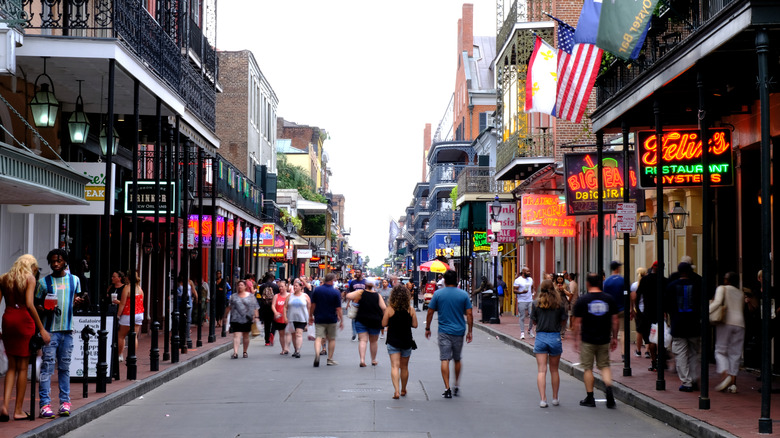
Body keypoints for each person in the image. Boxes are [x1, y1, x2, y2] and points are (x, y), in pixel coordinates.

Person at [35, 248, 84, 418]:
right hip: (50, 331)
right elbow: (36, 305)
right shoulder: (43, 283)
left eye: (59, 260)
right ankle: (45, 404)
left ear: (65, 262)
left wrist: (78, 302)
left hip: (67, 331)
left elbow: (77, 300)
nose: (56, 264)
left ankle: (65, 402)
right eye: (53, 261)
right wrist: (44, 308)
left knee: (64, 368)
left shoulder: (74, 280)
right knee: (47, 368)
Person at [0, 254, 49, 421]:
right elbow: (29, 304)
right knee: (22, 367)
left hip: (8, 319)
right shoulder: (29, 279)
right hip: (23, 321)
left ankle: (5, 406)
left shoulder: (4, 278)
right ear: (32, 266)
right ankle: (18, 410)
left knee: (11, 367)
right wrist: (41, 329)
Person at [425, 270, 473, 399]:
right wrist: (470, 331)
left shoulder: (438, 294)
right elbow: (469, 314)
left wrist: (427, 327)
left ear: (445, 281)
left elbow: (430, 312)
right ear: (456, 279)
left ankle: (447, 388)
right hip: (459, 331)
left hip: (444, 331)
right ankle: (456, 385)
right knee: (457, 358)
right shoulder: (463, 295)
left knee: (444, 358)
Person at [572, 273, 619, 408]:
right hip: (604, 338)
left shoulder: (583, 300)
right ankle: (608, 388)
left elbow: (577, 322)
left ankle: (590, 397)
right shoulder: (608, 299)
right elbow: (615, 320)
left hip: (588, 339)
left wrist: (576, 339)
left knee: (588, 368)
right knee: (604, 366)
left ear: (588, 284)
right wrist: (614, 337)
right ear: (600, 283)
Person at [665, 262, 702, 392]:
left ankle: (686, 382)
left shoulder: (671, 286)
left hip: (678, 324)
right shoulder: (697, 285)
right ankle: (693, 378)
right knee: (694, 354)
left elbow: (667, 305)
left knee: (680, 353)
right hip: (694, 324)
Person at [531, 280, 567, 408]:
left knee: (541, 370)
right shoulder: (559, 304)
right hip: (555, 336)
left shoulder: (536, 304)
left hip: (541, 336)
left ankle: (543, 399)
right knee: (554, 370)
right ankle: (555, 398)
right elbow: (563, 321)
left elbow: (534, 321)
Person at [710, 272, 744, 393]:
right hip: (740, 324)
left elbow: (718, 303)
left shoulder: (722, 288)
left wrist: (706, 311)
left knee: (720, 350)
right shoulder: (740, 293)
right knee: (735, 354)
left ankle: (725, 375)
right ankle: (733, 384)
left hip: (726, 322)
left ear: (727, 280)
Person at [382, 284, 418, 399]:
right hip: (406, 340)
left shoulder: (390, 309)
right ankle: (403, 389)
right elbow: (415, 325)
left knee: (394, 366)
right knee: (404, 367)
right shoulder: (410, 309)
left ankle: (396, 391)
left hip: (393, 340)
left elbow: (383, 324)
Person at [346, 280, 386, 367]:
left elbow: (348, 295)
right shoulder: (377, 295)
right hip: (375, 320)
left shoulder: (361, 293)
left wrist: (359, 291)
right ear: (375, 286)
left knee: (363, 340)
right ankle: (373, 360)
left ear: (365, 285)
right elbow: (384, 307)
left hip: (361, 319)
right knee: (374, 341)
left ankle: (362, 360)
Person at [636, 262, 665, 371]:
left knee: (652, 339)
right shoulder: (664, 280)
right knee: (661, 338)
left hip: (648, 313)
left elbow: (638, 296)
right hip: (660, 313)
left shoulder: (645, 280)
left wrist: (638, 310)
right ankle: (660, 360)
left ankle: (654, 361)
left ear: (652, 268)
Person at [309, 273, 343, 367]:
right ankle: (329, 359)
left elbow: (313, 305)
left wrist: (310, 316)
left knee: (318, 338)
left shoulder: (317, 290)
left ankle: (317, 355)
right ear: (332, 281)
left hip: (319, 318)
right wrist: (342, 320)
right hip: (331, 318)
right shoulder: (335, 292)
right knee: (331, 339)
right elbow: (338, 308)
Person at [112, 270, 144, 364]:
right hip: (139, 314)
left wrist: (118, 315)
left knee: (121, 335)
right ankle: (133, 355)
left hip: (128, 313)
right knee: (134, 336)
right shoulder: (139, 288)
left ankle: (120, 355)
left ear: (127, 278)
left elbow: (122, 304)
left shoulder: (127, 288)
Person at [224, 280, 259, 358]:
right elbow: (229, 307)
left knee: (246, 335)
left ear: (245, 286)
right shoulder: (233, 296)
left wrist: (256, 317)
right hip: (235, 318)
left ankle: (245, 351)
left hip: (247, 318)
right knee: (236, 335)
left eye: (242, 285)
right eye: (238, 285)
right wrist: (225, 316)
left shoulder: (251, 296)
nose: (240, 286)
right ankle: (235, 352)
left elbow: (255, 307)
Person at [284, 279, 311, 358]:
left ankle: (298, 350)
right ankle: (295, 349)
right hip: (291, 318)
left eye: (296, 286)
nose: (294, 287)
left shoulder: (305, 296)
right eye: (293, 286)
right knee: (293, 335)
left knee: (298, 334)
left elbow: (309, 307)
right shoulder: (290, 296)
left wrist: (309, 317)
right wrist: (285, 317)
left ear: (300, 287)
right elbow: (285, 307)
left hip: (302, 318)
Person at [602, 261, 625, 350]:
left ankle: (607, 351)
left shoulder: (607, 282)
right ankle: (624, 353)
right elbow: (631, 295)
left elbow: (604, 296)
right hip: (622, 308)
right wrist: (631, 308)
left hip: (610, 310)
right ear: (618, 268)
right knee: (623, 331)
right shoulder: (623, 280)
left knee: (609, 332)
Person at [630, 267, 648, 358]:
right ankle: (648, 351)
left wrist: (632, 309)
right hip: (648, 310)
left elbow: (632, 299)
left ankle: (638, 350)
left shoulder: (634, 285)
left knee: (639, 330)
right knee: (648, 330)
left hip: (638, 310)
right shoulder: (648, 284)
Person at [258, 272, 279, 346]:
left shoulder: (262, 286)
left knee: (266, 324)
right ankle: (272, 333)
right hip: (273, 307)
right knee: (274, 322)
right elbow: (277, 296)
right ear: (272, 278)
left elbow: (260, 295)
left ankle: (267, 341)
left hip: (264, 307)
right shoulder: (275, 286)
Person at [514, 267, 534, 339]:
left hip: (530, 300)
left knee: (532, 315)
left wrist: (532, 294)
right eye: (527, 271)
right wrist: (522, 292)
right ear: (523, 272)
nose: (529, 273)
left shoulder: (530, 279)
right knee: (522, 316)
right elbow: (514, 290)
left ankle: (530, 329)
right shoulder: (518, 280)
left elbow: (532, 287)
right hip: (522, 300)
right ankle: (522, 332)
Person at [272, 280, 291, 355]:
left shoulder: (289, 296)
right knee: (281, 334)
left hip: (288, 317)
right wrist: (275, 312)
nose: (280, 288)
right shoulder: (276, 296)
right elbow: (273, 305)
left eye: (282, 286)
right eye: (279, 286)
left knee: (288, 333)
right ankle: (283, 348)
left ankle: (287, 348)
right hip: (279, 318)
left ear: (286, 287)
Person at [347, 270, 367, 342]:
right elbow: (350, 293)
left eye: (358, 272)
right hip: (355, 303)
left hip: (363, 303)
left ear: (361, 273)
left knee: (362, 319)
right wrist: (348, 303)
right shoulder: (353, 282)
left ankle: (360, 334)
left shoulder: (365, 282)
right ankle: (354, 333)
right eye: (356, 272)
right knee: (354, 319)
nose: (357, 273)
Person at [554, 274, 571, 339]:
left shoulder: (566, 285)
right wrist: (556, 288)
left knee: (564, 317)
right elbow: (551, 293)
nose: (560, 281)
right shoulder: (554, 285)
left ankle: (562, 333)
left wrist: (563, 289)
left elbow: (569, 294)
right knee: (556, 317)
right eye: (558, 279)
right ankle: (557, 331)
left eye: (561, 279)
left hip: (564, 302)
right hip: (556, 302)